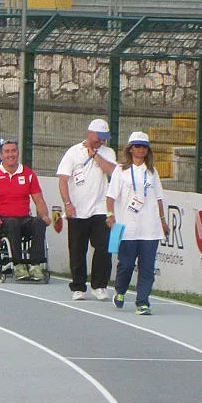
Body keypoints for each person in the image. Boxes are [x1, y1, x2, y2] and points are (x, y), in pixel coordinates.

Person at [106, 131, 170, 316]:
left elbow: (159, 198)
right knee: (125, 265)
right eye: (137, 146)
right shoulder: (121, 170)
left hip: (150, 227)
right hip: (127, 227)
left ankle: (142, 302)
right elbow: (110, 197)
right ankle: (120, 290)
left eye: (144, 147)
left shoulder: (152, 172)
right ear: (130, 149)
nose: (140, 150)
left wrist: (163, 220)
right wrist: (110, 215)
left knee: (147, 268)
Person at [57, 118, 118, 301]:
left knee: (103, 247)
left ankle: (99, 285)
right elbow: (63, 180)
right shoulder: (73, 152)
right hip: (78, 210)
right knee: (77, 249)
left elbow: (113, 172)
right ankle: (78, 286)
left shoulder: (108, 152)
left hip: (100, 208)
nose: (102, 141)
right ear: (90, 134)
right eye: (99, 137)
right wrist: (67, 204)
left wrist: (95, 155)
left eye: (104, 138)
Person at [0, 141, 51, 281]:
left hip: (24, 218)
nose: (10, 154)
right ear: (1, 155)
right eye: (7, 151)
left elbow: (39, 200)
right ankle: (18, 265)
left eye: (13, 151)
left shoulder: (28, 174)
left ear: (18, 153)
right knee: (13, 223)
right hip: (3, 220)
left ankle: (36, 265)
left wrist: (44, 216)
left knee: (38, 222)